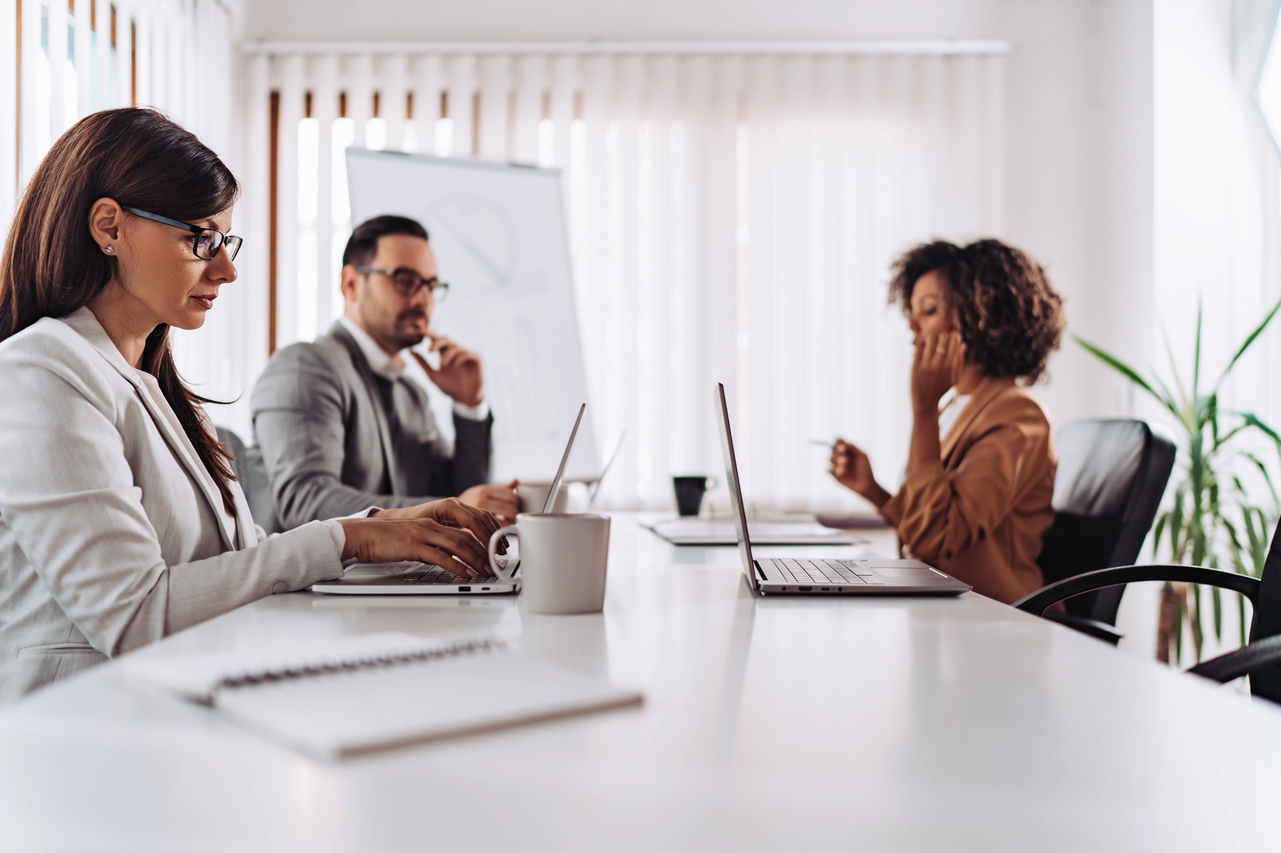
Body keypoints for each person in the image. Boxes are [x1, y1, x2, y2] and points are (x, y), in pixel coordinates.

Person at [0, 109, 503, 704]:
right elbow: (135, 616)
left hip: (180, 713)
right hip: (81, 736)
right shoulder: (41, 370)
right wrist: (349, 539)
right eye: (202, 239)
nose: (228, 268)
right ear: (109, 226)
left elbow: (245, 562)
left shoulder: (160, 388)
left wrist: (382, 532)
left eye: (226, 241)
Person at [829, 239, 1065, 604]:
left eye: (928, 310)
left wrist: (923, 409)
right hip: (947, 608)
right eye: (912, 309)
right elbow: (929, 521)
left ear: (979, 317)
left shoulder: (1019, 415)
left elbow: (937, 537)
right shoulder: (958, 406)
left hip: (996, 618)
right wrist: (873, 490)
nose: (912, 324)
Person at [250, 215, 518, 531]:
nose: (423, 300)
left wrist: (469, 407)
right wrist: (439, 511)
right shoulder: (304, 366)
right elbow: (306, 503)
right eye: (404, 280)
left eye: (431, 286)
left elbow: (459, 500)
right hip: (311, 581)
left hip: (396, 579)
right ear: (351, 284)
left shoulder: (410, 393)